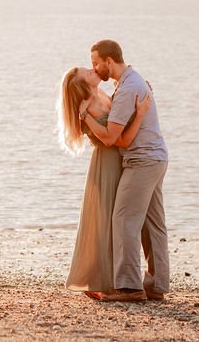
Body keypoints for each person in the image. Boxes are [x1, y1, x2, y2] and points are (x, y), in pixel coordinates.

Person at [86, 39, 170, 302]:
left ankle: (129, 287)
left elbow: (113, 138)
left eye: (96, 63)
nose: (95, 68)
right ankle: (156, 286)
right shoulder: (131, 82)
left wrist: (83, 117)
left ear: (109, 61)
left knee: (124, 219)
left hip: (141, 160)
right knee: (151, 224)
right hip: (155, 157)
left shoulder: (127, 89)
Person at [59, 65, 152, 299]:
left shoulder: (102, 94)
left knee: (117, 219)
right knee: (107, 220)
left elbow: (119, 118)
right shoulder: (87, 106)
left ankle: (113, 279)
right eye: (87, 72)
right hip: (107, 164)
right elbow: (109, 139)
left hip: (120, 160)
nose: (93, 70)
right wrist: (86, 116)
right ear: (83, 84)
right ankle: (99, 280)